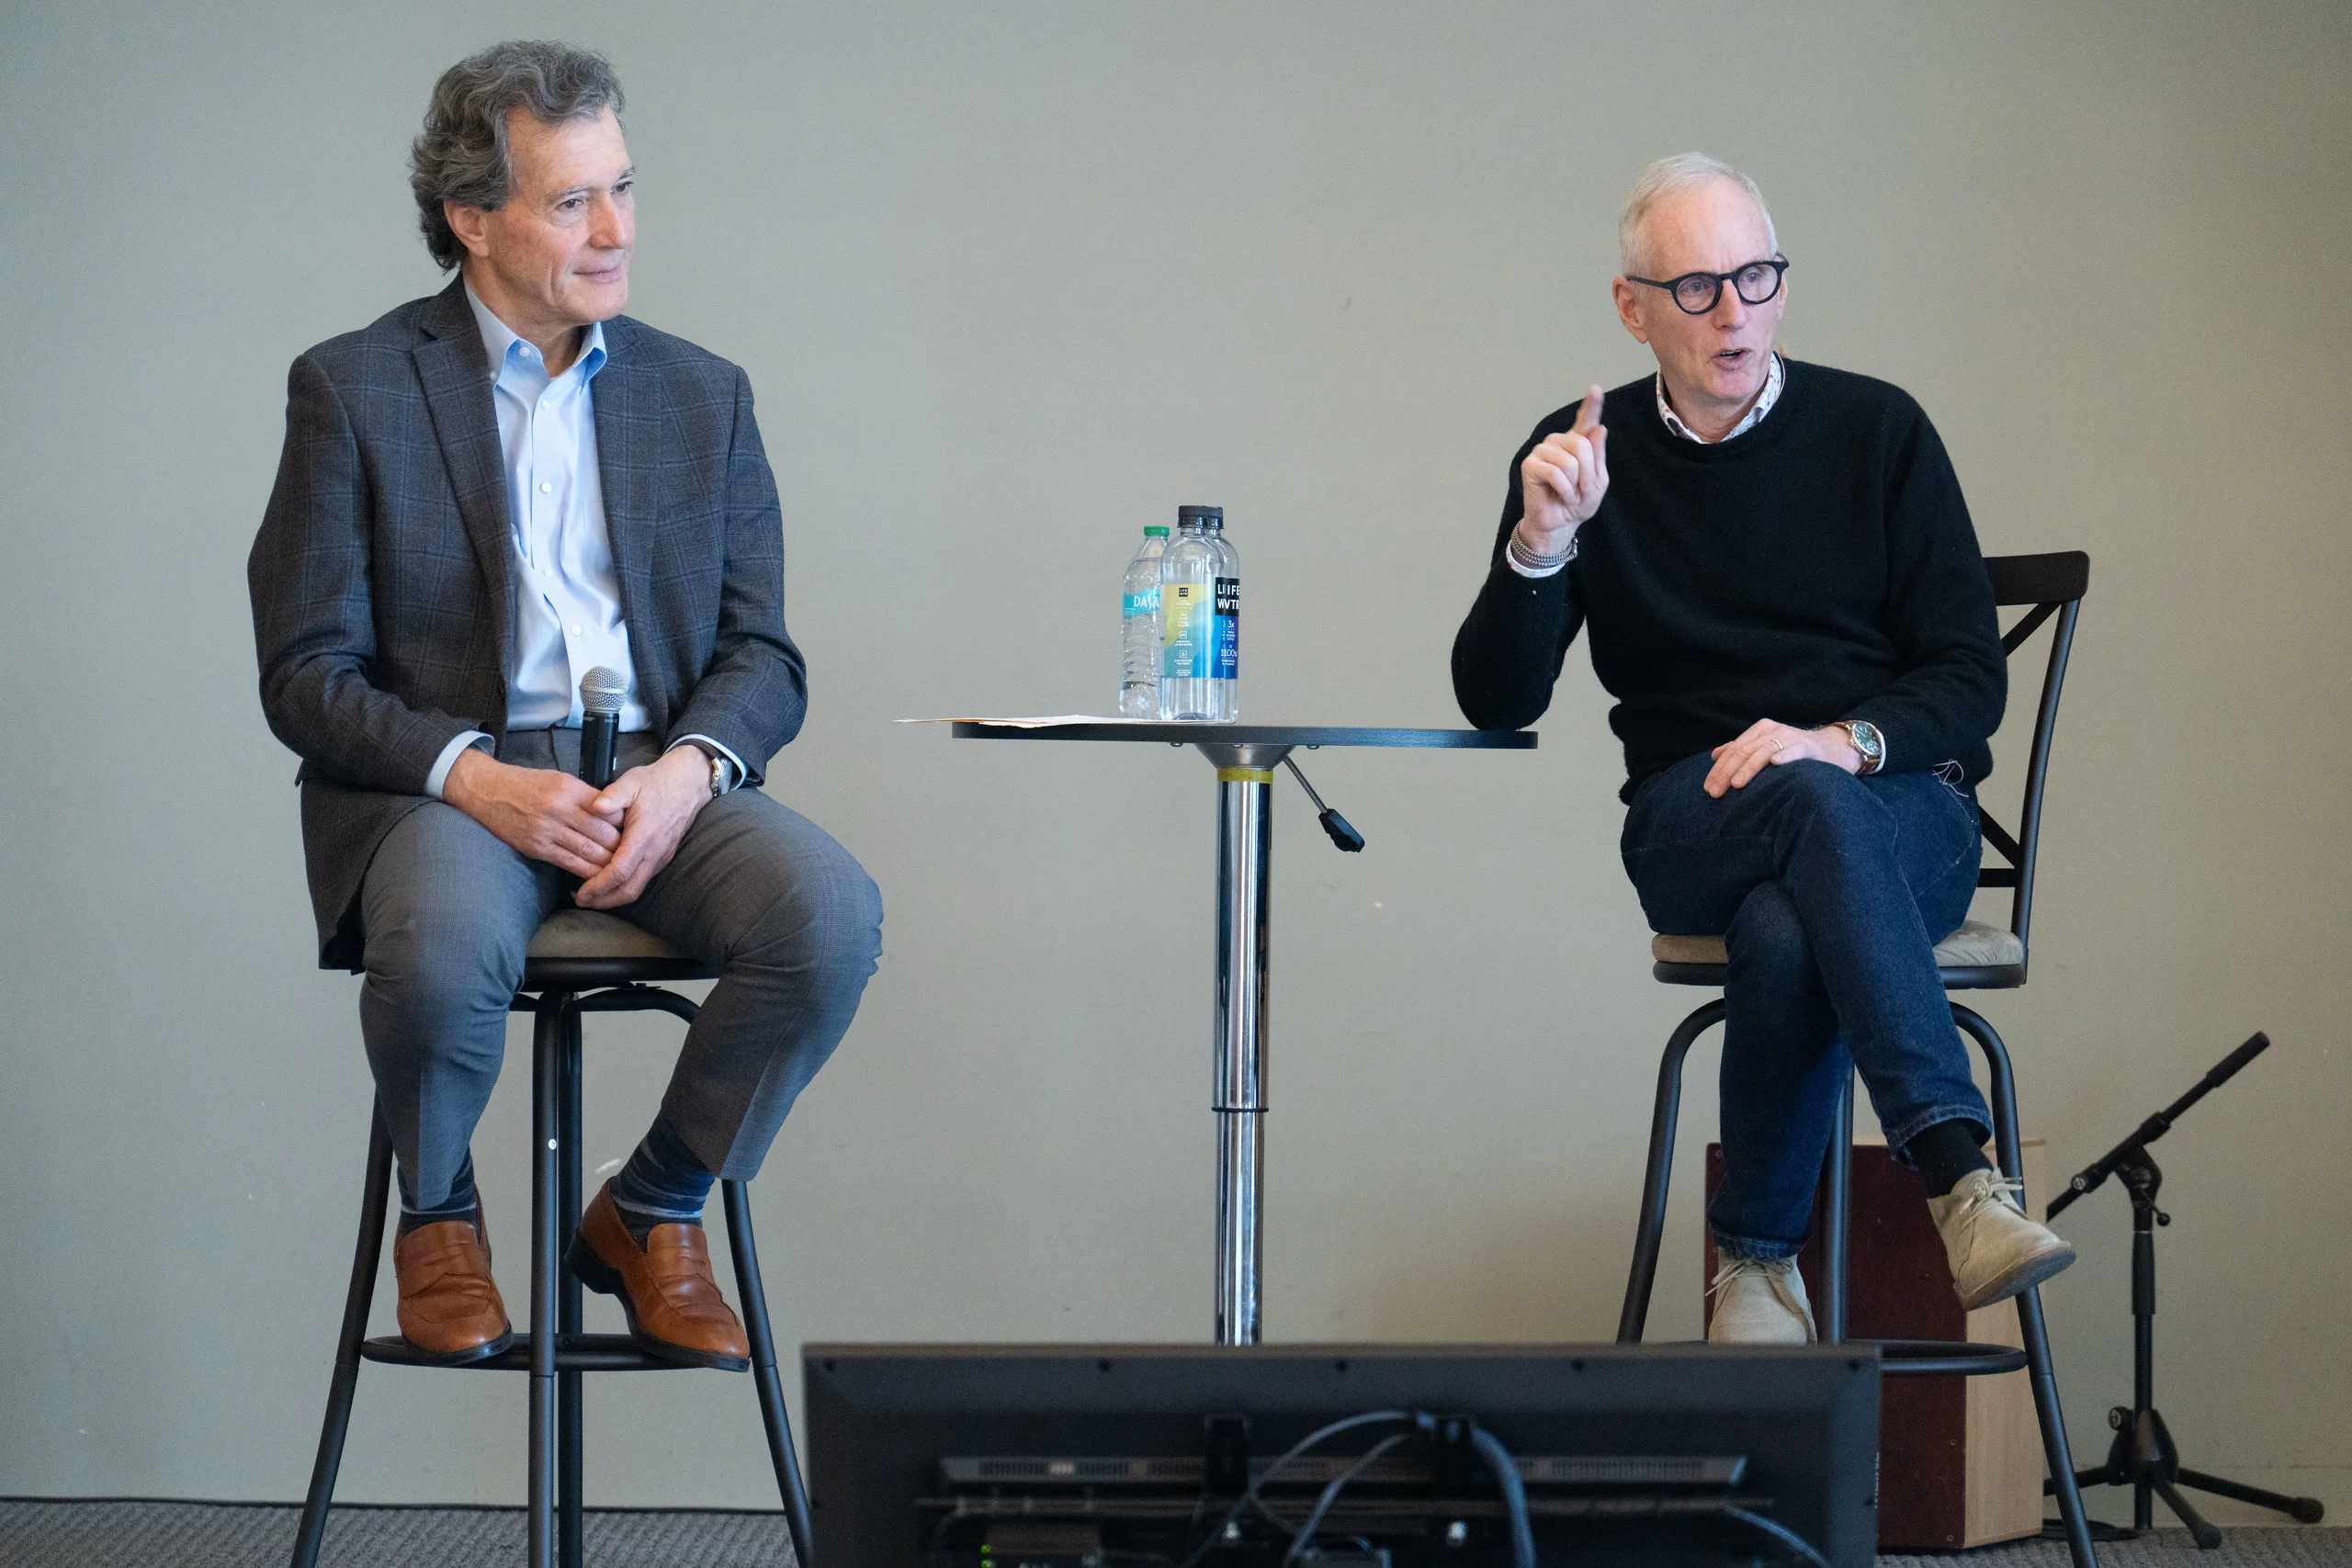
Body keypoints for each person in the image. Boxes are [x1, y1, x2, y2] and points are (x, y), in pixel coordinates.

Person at [249, 40, 883, 1371]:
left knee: (828, 916)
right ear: (471, 219)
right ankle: (440, 1215)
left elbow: (764, 655)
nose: (617, 231)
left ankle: (650, 1211)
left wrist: (690, 770)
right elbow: (304, 668)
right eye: (570, 201)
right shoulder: (352, 387)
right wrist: (477, 776)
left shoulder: (702, 395)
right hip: (450, 787)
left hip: (652, 779)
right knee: (430, 947)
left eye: (624, 188)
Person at [1451, 153, 2074, 1343]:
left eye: (1756, 276)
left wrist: (1844, 740)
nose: (1734, 310)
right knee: (1793, 811)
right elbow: (1496, 699)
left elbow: (1966, 677)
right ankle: (1957, 1169)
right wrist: (1541, 546)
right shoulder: (1583, 452)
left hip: (1900, 817)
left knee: (1792, 912)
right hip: (1696, 824)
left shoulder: (1878, 429)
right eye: (1696, 287)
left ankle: (1754, 1265)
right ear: (1632, 308)